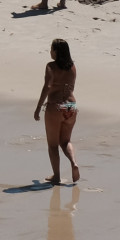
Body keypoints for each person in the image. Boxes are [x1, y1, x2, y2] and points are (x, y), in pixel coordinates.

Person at [34, 38, 79, 184]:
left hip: (55, 107)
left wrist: (38, 107)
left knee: (53, 145)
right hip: (71, 106)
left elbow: (47, 87)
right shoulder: (72, 67)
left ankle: (57, 176)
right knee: (65, 141)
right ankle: (73, 162)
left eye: (51, 49)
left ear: (56, 51)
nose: (50, 51)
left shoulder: (51, 66)